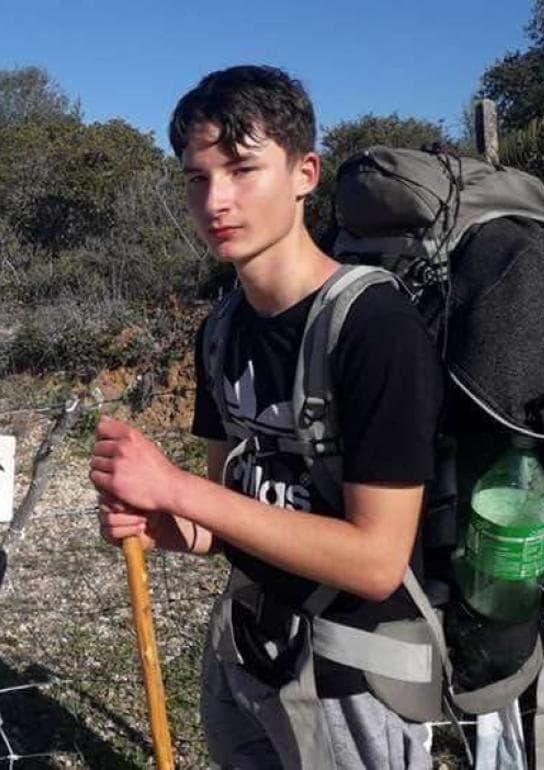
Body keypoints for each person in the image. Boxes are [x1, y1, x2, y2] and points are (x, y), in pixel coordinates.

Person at [89, 65, 445, 768]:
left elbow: (376, 561)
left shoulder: (375, 326)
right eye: (197, 178)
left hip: (355, 682)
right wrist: (165, 525)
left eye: (243, 169)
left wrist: (176, 489)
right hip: (246, 651)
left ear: (304, 173)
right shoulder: (221, 329)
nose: (216, 200)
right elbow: (228, 516)